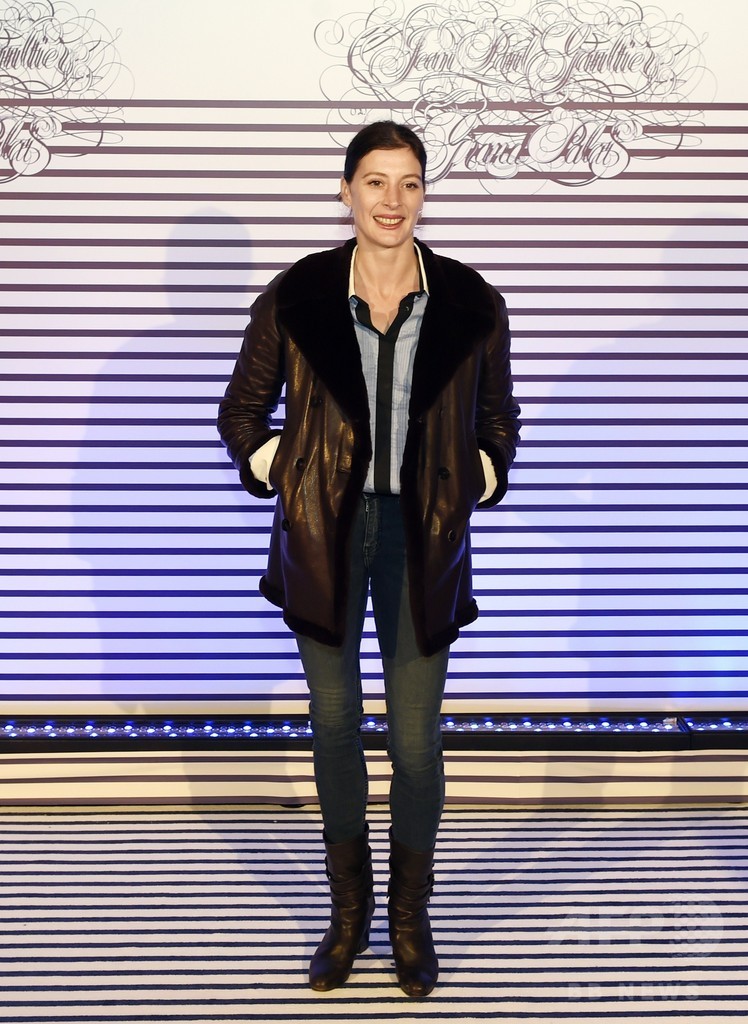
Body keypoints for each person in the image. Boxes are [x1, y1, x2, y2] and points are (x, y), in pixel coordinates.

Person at [217, 120, 520, 999]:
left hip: (425, 540)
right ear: (346, 190)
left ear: (424, 194)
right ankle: (348, 917)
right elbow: (241, 412)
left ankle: (410, 922)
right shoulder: (298, 295)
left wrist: (476, 474)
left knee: (417, 741)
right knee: (336, 723)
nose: (393, 201)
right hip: (324, 537)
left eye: (410, 183)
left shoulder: (470, 301)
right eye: (376, 182)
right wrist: (283, 467)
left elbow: (499, 419)